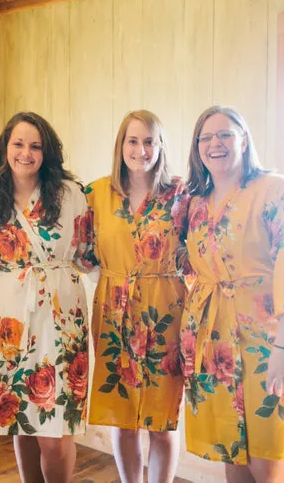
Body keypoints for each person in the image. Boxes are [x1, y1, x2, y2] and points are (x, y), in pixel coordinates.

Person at [180, 105, 284, 482]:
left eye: (225, 134)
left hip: (267, 343)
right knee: (232, 453)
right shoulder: (197, 203)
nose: (215, 144)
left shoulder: (278, 192)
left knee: (269, 460)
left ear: (244, 139)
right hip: (216, 342)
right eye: (205, 137)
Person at [0, 112, 96, 483]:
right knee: (20, 418)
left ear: (47, 152)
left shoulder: (71, 195)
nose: (26, 153)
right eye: (18, 144)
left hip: (59, 318)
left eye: (35, 146)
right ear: (5, 148)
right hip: (6, 321)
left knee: (56, 430)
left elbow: (88, 254)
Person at [85, 110, 191, 483]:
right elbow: (83, 255)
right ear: (121, 145)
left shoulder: (180, 194)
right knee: (124, 416)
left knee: (161, 421)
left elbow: (197, 253)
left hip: (165, 311)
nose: (141, 149)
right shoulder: (96, 193)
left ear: (161, 146)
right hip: (114, 312)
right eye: (133, 140)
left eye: (149, 141)